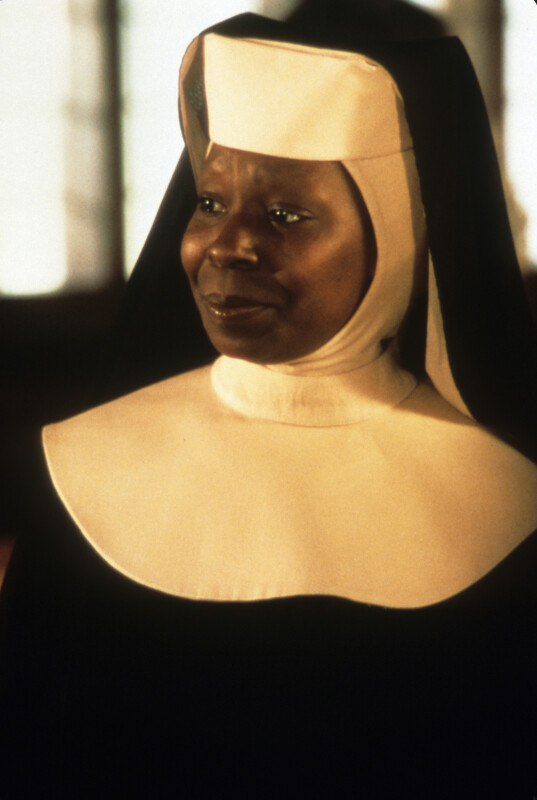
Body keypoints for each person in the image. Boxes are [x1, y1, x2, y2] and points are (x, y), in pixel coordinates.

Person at [2, 13, 537, 798]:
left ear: (400, 230)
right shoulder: (76, 473)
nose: (227, 246)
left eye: (287, 215)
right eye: (210, 202)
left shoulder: (512, 505)